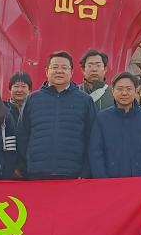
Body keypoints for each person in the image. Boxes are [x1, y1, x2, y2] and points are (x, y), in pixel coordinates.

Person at [18, 51, 96, 179]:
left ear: (71, 72)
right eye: (55, 67)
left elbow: (91, 138)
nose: (59, 71)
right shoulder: (32, 99)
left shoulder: (85, 101)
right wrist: (26, 166)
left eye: (64, 68)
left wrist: (85, 171)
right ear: (46, 71)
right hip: (37, 173)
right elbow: (22, 135)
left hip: (73, 174)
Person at [90, 73, 141, 177]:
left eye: (129, 89)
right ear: (113, 91)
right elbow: (96, 152)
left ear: (136, 91)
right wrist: (102, 179)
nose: (124, 93)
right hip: (110, 180)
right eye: (120, 89)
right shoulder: (102, 118)